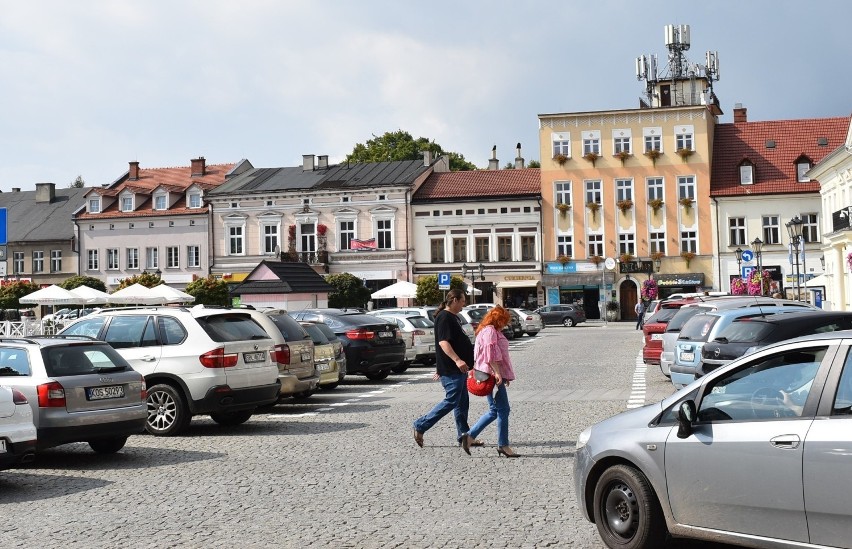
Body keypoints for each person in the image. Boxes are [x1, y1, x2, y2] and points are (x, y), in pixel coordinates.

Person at [412, 288, 480, 449]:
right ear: (455, 300)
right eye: (463, 300)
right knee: (451, 401)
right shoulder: (444, 317)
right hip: (452, 369)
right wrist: (457, 360)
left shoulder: (453, 317)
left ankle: (464, 435)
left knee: (462, 403)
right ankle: (421, 425)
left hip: (459, 370)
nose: (465, 304)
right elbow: (443, 343)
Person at [460, 305, 519, 458]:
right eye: (503, 321)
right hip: (491, 375)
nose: (505, 324)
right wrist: (499, 373)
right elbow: (490, 355)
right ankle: (502, 445)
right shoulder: (490, 331)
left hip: (491, 374)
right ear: (497, 319)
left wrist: (503, 374)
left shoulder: (487, 330)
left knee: (496, 410)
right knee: (502, 410)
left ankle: (471, 437)